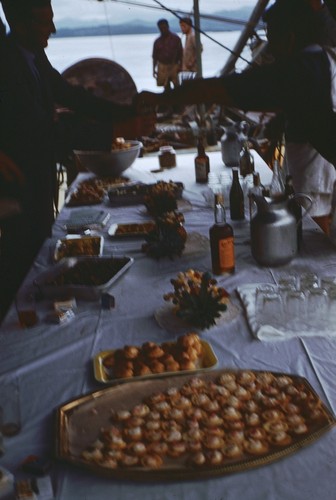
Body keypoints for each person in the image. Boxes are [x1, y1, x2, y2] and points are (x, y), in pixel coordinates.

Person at [0, 0, 155, 322]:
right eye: (45, 23)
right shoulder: (7, 65)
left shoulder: (31, 56)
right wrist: (115, 130)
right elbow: (40, 132)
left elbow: (72, 97)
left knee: (37, 252)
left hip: (38, 181)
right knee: (20, 268)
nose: (53, 30)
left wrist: (126, 112)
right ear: (20, 23)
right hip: (17, 187)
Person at [139, 0, 336, 231]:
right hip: (317, 159)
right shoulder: (323, 59)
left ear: (290, 38)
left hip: (316, 165)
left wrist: (159, 99)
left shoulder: (300, 71)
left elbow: (220, 89)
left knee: (315, 226)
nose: (270, 49)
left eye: (272, 39)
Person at [152, 19, 183, 92]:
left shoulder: (176, 39)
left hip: (174, 65)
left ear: (168, 26)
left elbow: (181, 54)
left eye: (164, 27)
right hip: (162, 66)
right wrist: (154, 70)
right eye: (161, 28)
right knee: (165, 86)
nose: (163, 30)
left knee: (177, 86)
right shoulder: (157, 41)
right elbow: (154, 57)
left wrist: (180, 66)